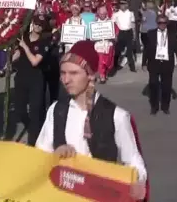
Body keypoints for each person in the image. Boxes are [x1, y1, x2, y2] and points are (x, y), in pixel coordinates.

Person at [35, 40, 148, 200]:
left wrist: (138, 182)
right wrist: (55, 154)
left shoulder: (116, 115)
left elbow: (133, 161)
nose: (66, 80)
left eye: (73, 73)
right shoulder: (56, 110)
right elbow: (40, 154)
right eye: (63, 73)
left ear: (91, 75)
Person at [12, 16, 49, 145]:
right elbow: (17, 53)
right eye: (36, 24)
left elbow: (35, 61)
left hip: (35, 80)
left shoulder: (44, 42)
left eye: (41, 25)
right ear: (32, 24)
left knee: (35, 111)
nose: (38, 27)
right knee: (20, 110)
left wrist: (25, 47)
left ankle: (33, 141)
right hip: (21, 78)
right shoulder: (24, 37)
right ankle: (32, 127)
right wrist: (10, 60)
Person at [143, 14, 177, 115]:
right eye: (160, 23)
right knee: (153, 85)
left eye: (164, 23)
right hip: (154, 63)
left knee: (167, 87)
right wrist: (144, 63)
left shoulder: (172, 35)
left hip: (167, 64)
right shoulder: (151, 34)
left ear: (167, 23)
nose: (162, 25)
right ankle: (154, 107)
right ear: (157, 23)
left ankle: (165, 106)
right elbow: (146, 50)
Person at [112, 0, 136, 73]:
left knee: (129, 51)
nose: (122, 5)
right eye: (121, 4)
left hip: (129, 32)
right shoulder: (116, 14)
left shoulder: (130, 13)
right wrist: (115, 35)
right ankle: (114, 66)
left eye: (124, 4)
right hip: (120, 32)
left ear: (127, 5)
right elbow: (113, 25)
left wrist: (134, 34)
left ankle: (132, 67)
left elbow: (133, 24)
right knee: (117, 50)